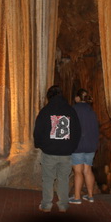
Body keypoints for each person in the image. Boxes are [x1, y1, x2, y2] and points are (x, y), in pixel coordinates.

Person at [33, 85, 81, 213]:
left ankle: (46, 205)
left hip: (49, 152)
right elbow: (77, 131)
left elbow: (38, 131)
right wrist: (72, 146)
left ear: (49, 96)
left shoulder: (45, 111)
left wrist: (40, 145)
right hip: (66, 152)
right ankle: (63, 205)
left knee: (48, 179)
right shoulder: (70, 111)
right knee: (63, 179)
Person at [68, 89, 100, 204]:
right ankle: (90, 196)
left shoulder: (73, 110)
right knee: (88, 170)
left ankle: (77, 197)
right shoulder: (92, 112)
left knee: (78, 171)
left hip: (78, 145)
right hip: (90, 146)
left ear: (77, 98)